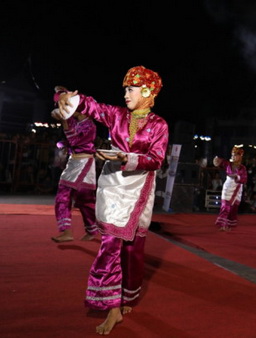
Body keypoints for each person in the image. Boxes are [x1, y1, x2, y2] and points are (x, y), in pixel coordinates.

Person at [55, 65, 169, 334]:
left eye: (131, 89)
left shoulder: (158, 125)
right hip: (111, 186)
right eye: (125, 89)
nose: (126, 94)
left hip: (138, 187)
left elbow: (156, 160)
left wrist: (125, 158)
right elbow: (93, 107)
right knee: (110, 243)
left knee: (132, 248)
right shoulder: (117, 115)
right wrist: (71, 98)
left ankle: (127, 296)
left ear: (147, 91)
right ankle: (112, 306)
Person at [50, 109, 99, 243]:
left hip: (83, 163)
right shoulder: (76, 121)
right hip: (76, 162)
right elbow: (70, 140)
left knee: (68, 196)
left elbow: (74, 140)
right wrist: (62, 143)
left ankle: (69, 231)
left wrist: (64, 121)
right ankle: (90, 230)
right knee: (83, 199)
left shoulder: (90, 126)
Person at [213, 146, 247, 231]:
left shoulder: (242, 168)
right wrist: (216, 161)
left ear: (240, 156)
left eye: (236, 155)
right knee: (225, 206)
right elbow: (218, 162)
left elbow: (244, 179)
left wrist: (237, 177)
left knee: (233, 208)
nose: (234, 156)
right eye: (233, 154)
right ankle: (222, 225)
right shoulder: (228, 164)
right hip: (228, 186)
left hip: (237, 188)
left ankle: (227, 225)